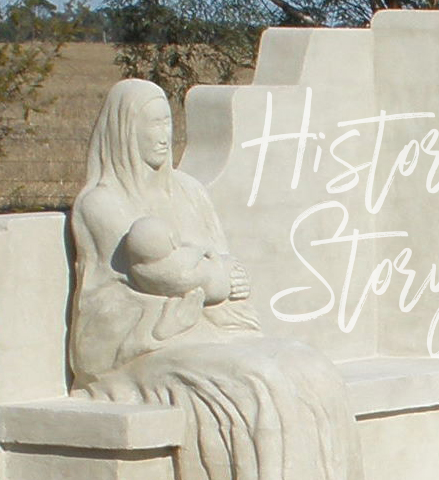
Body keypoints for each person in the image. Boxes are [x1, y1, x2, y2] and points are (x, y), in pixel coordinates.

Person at [70, 79, 364, 480]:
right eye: (152, 124)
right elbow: (142, 284)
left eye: (167, 122)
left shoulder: (189, 191)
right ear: (125, 130)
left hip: (212, 329)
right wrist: (207, 282)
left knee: (311, 367)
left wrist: (217, 279)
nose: (164, 135)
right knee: (258, 381)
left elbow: (223, 264)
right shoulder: (102, 202)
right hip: (148, 346)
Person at [124, 215, 230, 304]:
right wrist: (209, 254)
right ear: (172, 240)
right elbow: (200, 252)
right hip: (219, 285)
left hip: (214, 288)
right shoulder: (178, 260)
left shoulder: (138, 270)